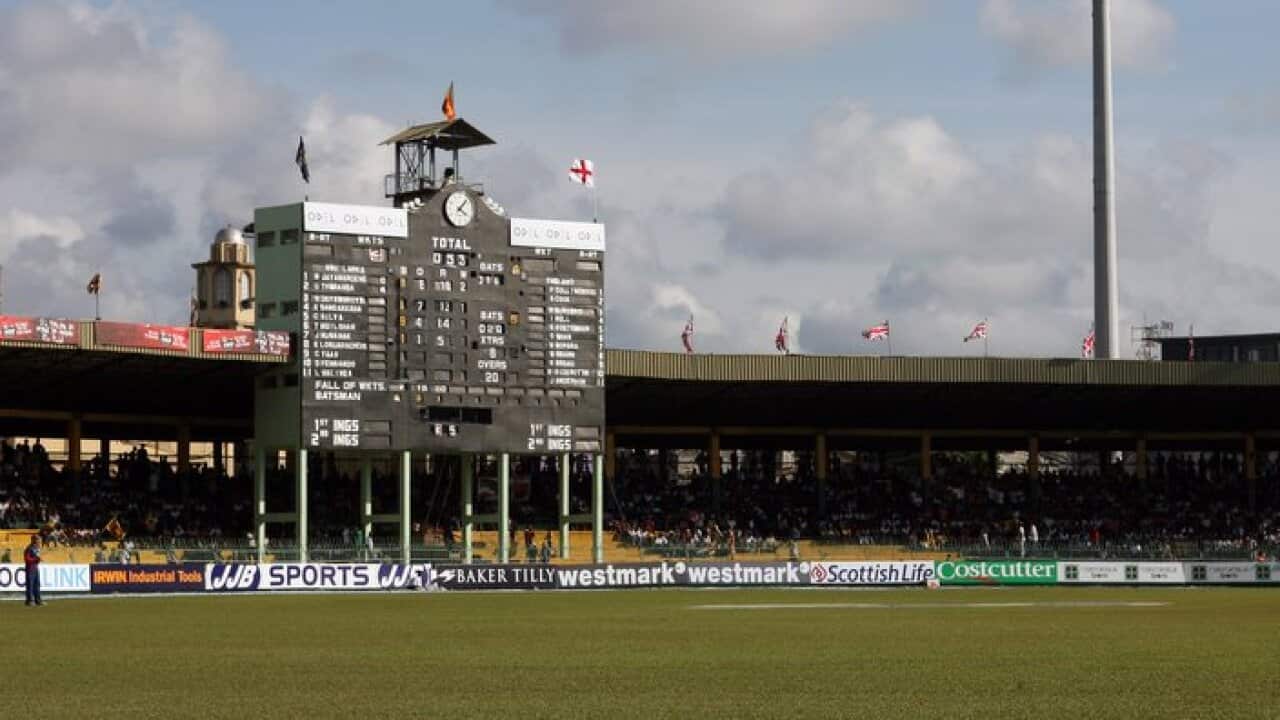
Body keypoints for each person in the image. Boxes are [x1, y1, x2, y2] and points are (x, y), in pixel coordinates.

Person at [24, 534, 43, 607]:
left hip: (35, 567)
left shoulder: (36, 548)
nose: (39, 541)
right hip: (30, 568)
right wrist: (36, 559)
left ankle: (38, 600)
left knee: (37, 585)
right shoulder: (29, 548)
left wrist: (38, 560)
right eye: (38, 540)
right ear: (34, 540)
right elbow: (27, 559)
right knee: (30, 585)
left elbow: (36, 559)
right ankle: (30, 601)